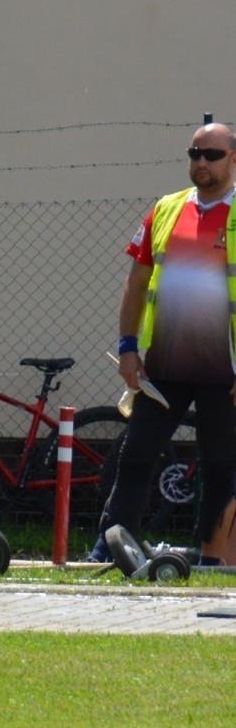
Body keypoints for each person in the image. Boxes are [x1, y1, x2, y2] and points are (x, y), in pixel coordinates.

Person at [93, 122, 236, 565]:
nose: (201, 162)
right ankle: (110, 551)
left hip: (225, 373)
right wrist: (127, 348)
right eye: (194, 153)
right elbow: (136, 284)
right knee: (134, 457)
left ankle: (212, 560)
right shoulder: (166, 209)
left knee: (221, 467)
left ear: (233, 159)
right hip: (162, 370)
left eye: (212, 154)